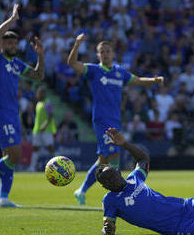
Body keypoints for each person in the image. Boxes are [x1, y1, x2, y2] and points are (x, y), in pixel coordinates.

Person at [67, 33, 164, 205]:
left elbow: (138, 80)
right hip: (102, 120)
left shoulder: (120, 72)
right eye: (102, 51)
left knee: (103, 160)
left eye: (108, 51)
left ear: (113, 54)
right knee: (115, 152)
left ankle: (81, 191)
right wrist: (76, 44)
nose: (105, 54)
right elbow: (72, 64)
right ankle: (118, 194)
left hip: (115, 120)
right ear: (98, 55)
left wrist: (154, 80)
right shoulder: (94, 70)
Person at [0, 4, 45, 207]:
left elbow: (38, 75)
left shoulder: (17, 63)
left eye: (14, 42)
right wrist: (12, 18)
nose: (12, 44)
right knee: (15, 155)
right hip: (0, 113)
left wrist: (41, 56)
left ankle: (4, 197)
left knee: (9, 157)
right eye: (9, 41)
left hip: (13, 114)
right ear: (3, 44)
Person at [28, 86, 57, 172]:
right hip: (37, 130)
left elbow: (51, 115)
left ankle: (58, 165)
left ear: (44, 94)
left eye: (40, 93)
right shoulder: (38, 104)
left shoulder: (47, 103)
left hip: (46, 130)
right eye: (38, 93)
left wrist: (44, 125)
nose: (38, 95)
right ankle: (32, 167)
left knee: (50, 147)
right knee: (36, 148)